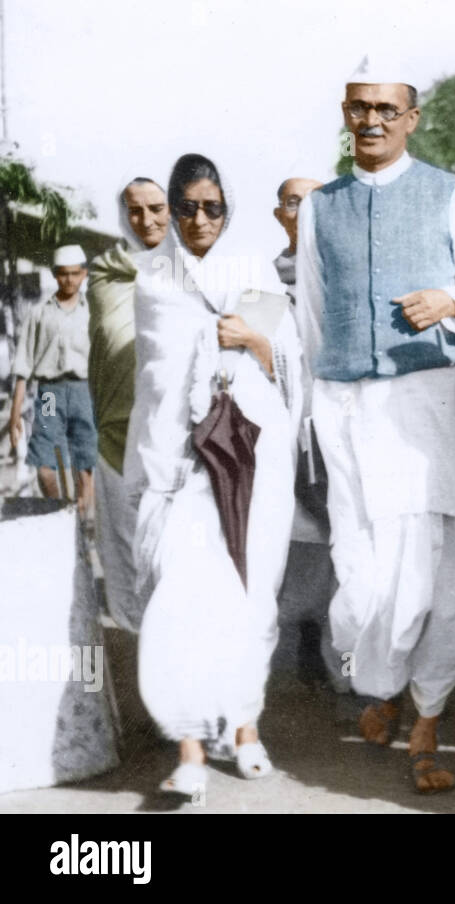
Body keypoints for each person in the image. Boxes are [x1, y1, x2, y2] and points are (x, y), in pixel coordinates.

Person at [294, 58, 455, 793]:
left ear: (411, 117)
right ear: (345, 114)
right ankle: (380, 687)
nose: (369, 121)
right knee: (365, 575)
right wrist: (315, 414)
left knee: (437, 575)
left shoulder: (451, 195)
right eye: (357, 108)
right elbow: (312, 316)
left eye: (385, 109)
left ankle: (429, 721)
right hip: (347, 409)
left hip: (429, 406)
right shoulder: (321, 206)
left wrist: (450, 301)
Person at [127, 153, 303, 797]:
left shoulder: (254, 268)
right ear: (171, 212)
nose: (201, 219)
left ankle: (246, 729)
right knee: (181, 599)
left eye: (213, 207)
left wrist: (253, 341)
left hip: (250, 454)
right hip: (178, 462)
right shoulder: (154, 279)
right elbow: (155, 383)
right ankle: (191, 748)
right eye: (187, 208)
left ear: (228, 209)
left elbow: (285, 361)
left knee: (251, 595)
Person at [268, 175, 348, 693]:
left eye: (316, 200)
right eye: (295, 202)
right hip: (282, 426)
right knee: (293, 540)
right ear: (280, 214)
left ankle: (344, 659)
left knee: (341, 536)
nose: (305, 210)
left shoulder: (345, 274)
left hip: (338, 421)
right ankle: (296, 643)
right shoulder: (261, 280)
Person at [86, 179, 169, 632]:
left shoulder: (197, 271)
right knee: (124, 563)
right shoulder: (106, 273)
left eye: (157, 208)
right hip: (118, 441)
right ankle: (136, 666)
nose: (146, 220)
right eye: (134, 211)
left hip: (172, 442)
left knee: (173, 561)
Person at [8, 245, 96, 514]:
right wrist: (15, 416)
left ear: (84, 274)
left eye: (75, 273)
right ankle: (59, 509)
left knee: (84, 458)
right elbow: (23, 365)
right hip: (49, 393)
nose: (69, 280)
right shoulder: (39, 312)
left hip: (82, 390)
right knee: (44, 460)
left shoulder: (92, 311)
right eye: (63, 274)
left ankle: (83, 517)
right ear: (55, 275)